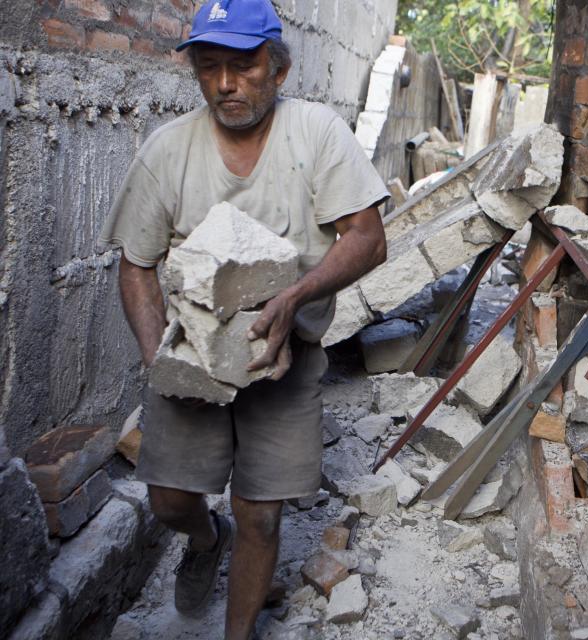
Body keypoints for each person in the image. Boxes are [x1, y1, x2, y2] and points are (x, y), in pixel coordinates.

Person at [97, 0, 389, 636]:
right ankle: (205, 540)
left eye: (243, 65)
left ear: (278, 69)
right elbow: (136, 264)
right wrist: (160, 364)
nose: (226, 84)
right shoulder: (167, 151)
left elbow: (367, 236)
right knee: (171, 501)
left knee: (262, 515)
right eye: (209, 67)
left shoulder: (316, 135)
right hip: (192, 359)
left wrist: (293, 299)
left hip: (286, 361)